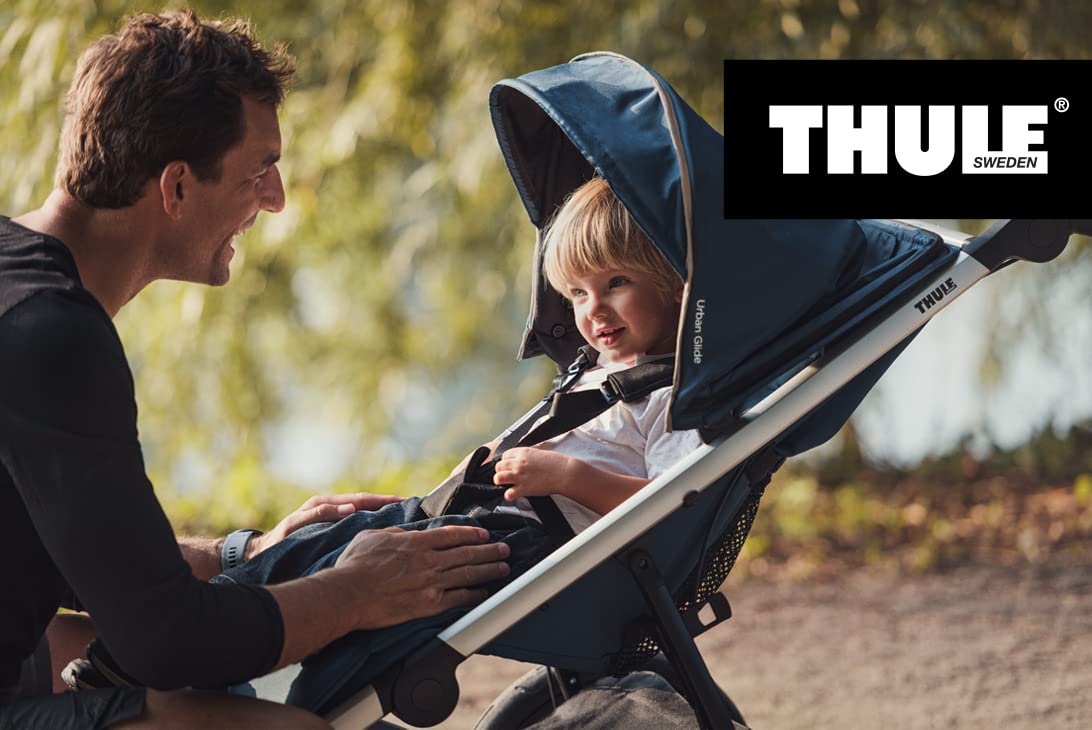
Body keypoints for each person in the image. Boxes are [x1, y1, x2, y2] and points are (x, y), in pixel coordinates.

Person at [0, 10, 510, 729]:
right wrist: (355, 590)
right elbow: (170, 642)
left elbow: (57, 536)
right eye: (260, 169)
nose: (274, 197)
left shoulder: (19, 285)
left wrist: (245, 553)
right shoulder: (51, 337)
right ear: (175, 189)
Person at [185, 175, 704, 712]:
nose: (593, 309)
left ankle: (285, 713)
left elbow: (673, 504)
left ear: (668, 278)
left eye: (615, 282)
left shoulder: (672, 395)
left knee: (373, 630)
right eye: (577, 292)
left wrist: (570, 478)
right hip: (463, 509)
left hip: (517, 543)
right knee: (325, 541)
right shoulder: (595, 372)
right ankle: (208, 622)